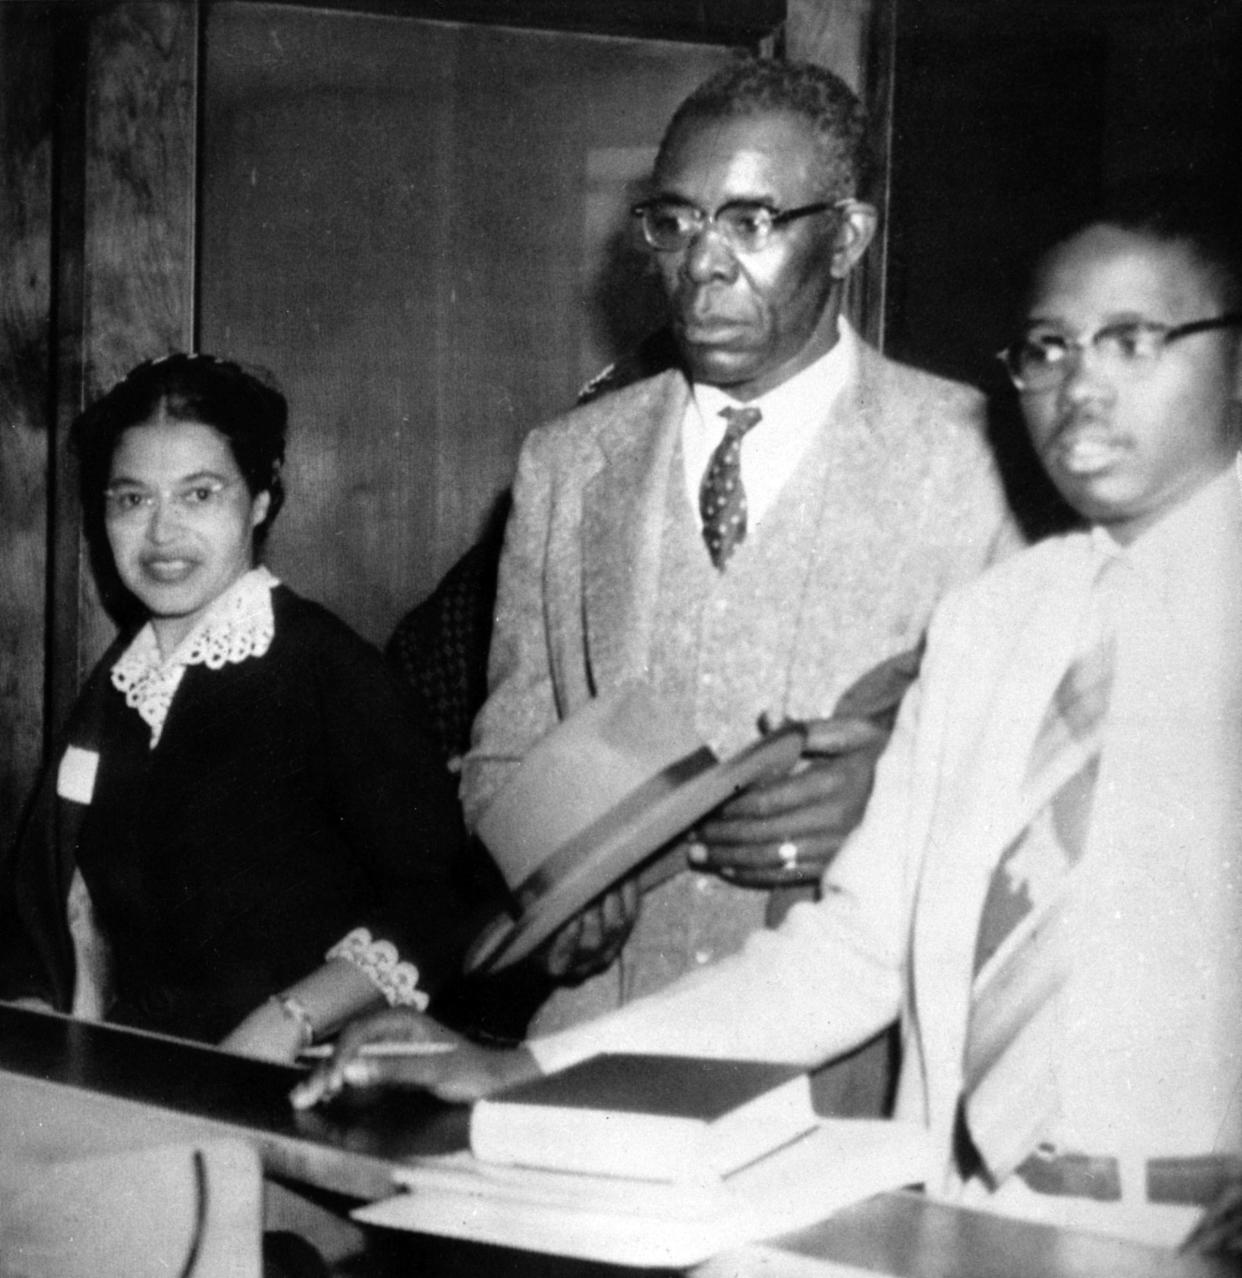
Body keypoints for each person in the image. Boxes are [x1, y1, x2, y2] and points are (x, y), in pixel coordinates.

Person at [295, 184, 1242, 1254]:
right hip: (975, 1221)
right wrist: (523, 1069)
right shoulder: (996, 627)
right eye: (1049, 348)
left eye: (1133, 341)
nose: (1082, 388)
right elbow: (848, 955)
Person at [459, 55, 1017, 1101]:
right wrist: (559, 877)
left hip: (854, 1076)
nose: (701, 265)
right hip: (597, 1049)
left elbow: (1039, 782)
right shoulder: (568, 463)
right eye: (673, 224)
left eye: (751, 223)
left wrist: (893, 799)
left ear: (846, 236)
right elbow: (505, 751)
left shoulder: (983, 462)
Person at [0, 354, 476, 1061]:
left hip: (301, 1085)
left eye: (199, 495)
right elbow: (41, 910)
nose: (161, 535)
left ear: (260, 499)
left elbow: (443, 901)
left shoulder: (326, 668)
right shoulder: (115, 689)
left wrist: (288, 1019)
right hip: (147, 1090)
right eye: (132, 499)